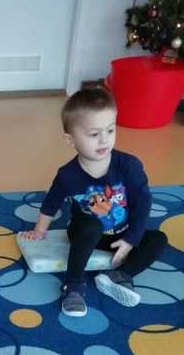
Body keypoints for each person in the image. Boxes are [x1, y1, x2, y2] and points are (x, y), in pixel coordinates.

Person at [20, 87, 167, 317]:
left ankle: (119, 276)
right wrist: (39, 230)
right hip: (85, 233)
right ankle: (74, 286)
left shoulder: (129, 165)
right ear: (71, 139)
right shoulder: (68, 175)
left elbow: (143, 202)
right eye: (94, 134)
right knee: (90, 225)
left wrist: (130, 240)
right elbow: (52, 202)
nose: (104, 139)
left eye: (110, 130)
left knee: (158, 239)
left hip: (121, 234)